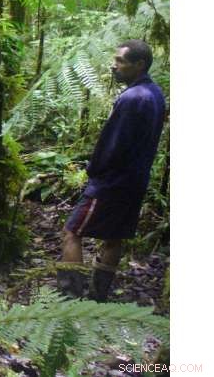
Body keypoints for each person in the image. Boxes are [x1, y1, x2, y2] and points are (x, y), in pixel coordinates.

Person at [57, 40, 166, 301]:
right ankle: (98, 297)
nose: (113, 66)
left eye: (120, 61)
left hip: (111, 182)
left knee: (72, 233)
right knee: (114, 238)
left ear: (139, 65)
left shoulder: (132, 98)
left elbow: (113, 145)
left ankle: (69, 299)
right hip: (135, 181)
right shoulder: (155, 94)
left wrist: (94, 171)